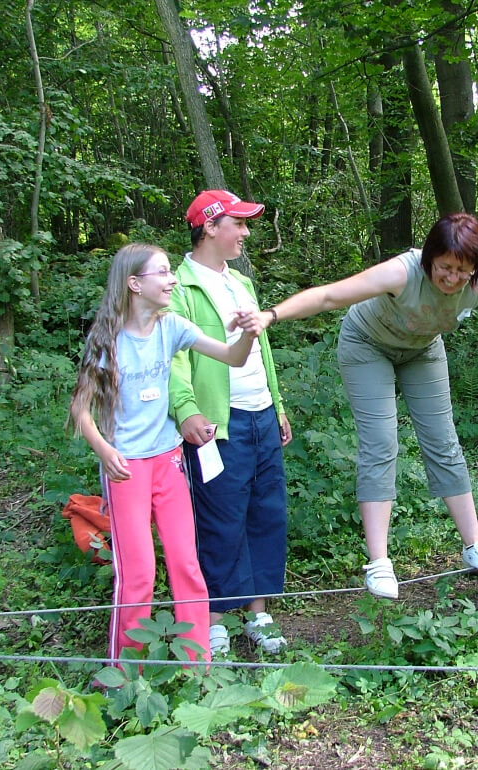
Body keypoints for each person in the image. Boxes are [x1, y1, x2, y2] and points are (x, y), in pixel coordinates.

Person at [254, 212, 478, 599]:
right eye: (445, 268)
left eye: (463, 270)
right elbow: (328, 295)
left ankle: (474, 545)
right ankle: (379, 562)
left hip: (422, 349)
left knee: (444, 442)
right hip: (367, 345)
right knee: (381, 443)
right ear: (429, 259)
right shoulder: (402, 272)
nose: (453, 278)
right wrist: (272, 315)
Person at [69, 243, 262, 662]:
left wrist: (248, 334)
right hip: (126, 470)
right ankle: (127, 671)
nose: (172, 279)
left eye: (171, 272)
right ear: (135, 284)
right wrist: (105, 450)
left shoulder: (172, 326)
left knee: (186, 565)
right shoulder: (107, 340)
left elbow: (231, 356)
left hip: (169, 461)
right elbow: (80, 411)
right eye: (162, 273)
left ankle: (198, 665)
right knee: (138, 574)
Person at [168, 190, 292, 657]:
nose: (244, 233)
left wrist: (277, 404)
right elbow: (174, 356)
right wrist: (185, 408)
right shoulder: (178, 287)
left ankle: (258, 613)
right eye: (237, 224)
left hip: (261, 416)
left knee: (266, 513)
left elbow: (261, 349)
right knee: (220, 518)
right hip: (218, 425)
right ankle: (213, 618)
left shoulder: (241, 282)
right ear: (209, 228)